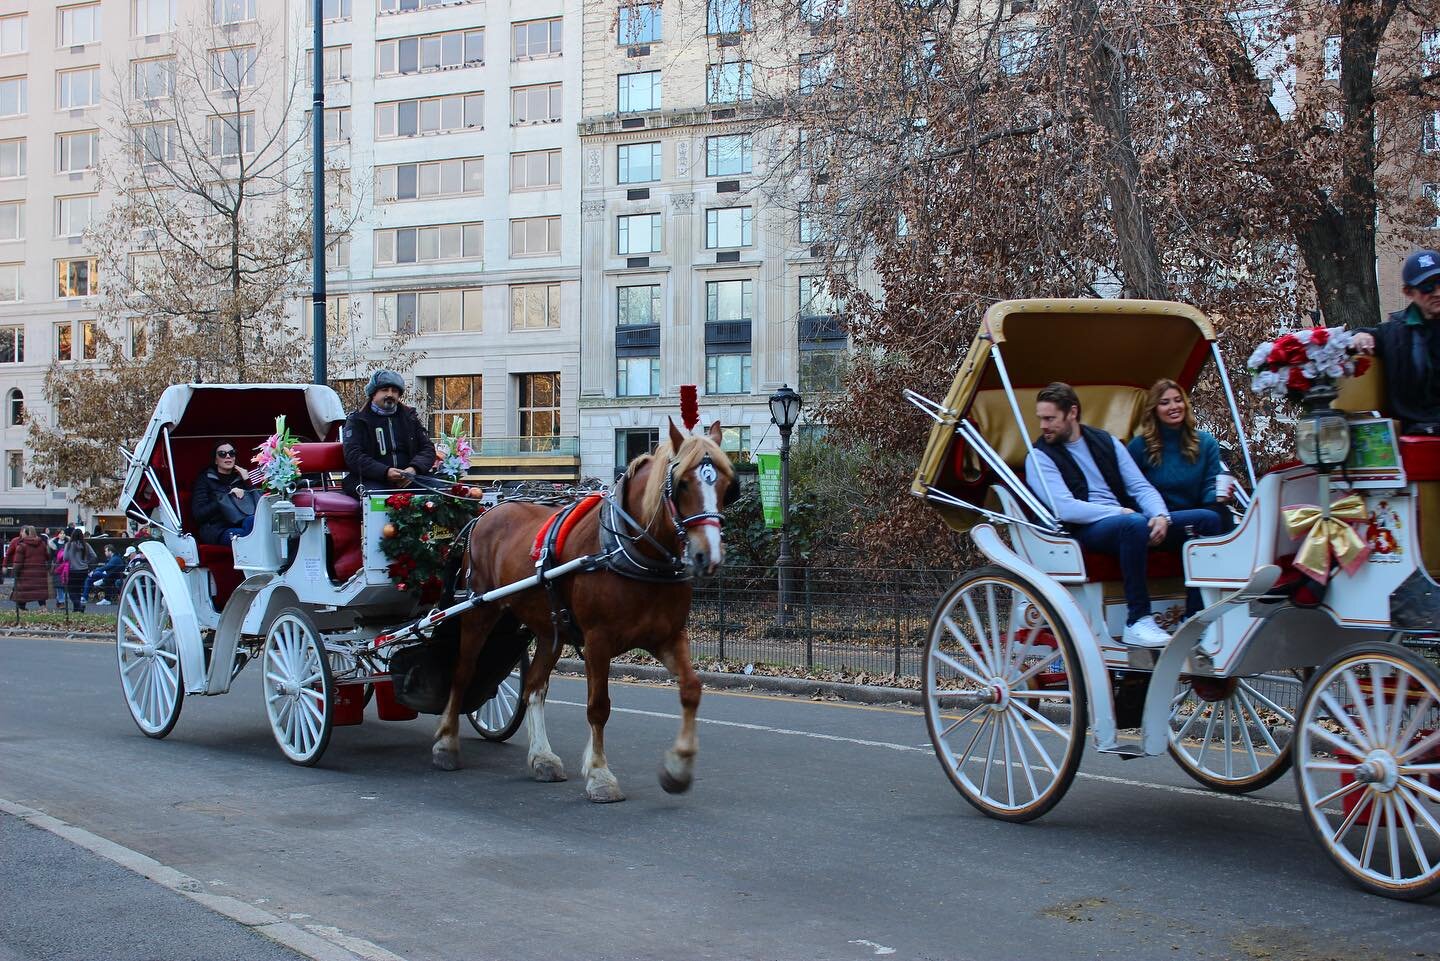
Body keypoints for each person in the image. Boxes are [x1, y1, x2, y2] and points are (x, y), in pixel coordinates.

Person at [1025, 383, 1220, 648]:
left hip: (1128, 522)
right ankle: (1137, 620)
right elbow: (1065, 507)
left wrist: (1162, 516)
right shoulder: (1039, 457)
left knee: (1207, 520)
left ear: (1072, 413)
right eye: (1041, 419)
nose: (1043, 426)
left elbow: (1140, 487)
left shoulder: (1107, 442)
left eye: (1050, 419)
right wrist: (1119, 511)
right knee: (1134, 524)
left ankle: (1195, 617)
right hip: (1083, 528)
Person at [1128, 380, 1232, 617]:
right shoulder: (1140, 447)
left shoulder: (1205, 442)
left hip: (1196, 520)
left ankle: (1226, 601)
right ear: (1154, 409)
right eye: (1164, 403)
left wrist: (1221, 495)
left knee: (1220, 517)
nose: (1173, 406)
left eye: (1177, 400)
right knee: (1210, 521)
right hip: (1156, 523)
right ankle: (1196, 615)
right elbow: (1130, 490)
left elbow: (1210, 485)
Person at [1352, 249, 1440, 433]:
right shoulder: (1393, 334)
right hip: (1415, 436)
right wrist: (1359, 336)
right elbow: (1362, 336)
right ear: (1408, 292)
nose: (1437, 292)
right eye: (1427, 286)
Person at [341, 370, 439, 498]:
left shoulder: (410, 418)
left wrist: (414, 469)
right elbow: (353, 455)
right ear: (373, 394)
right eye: (385, 390)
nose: (390, 394)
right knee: (378, 498)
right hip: (370, 479)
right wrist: (385, 472)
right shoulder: (357, 420)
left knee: (442, 492)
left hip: (410, 479)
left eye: (394, 391)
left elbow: (428, 449)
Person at [192, 441, 257, 545]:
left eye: (231, 453)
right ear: (216, 460)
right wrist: (227, 497)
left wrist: (247, 480)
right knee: (246, 535)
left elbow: (259, 506)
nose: (228, 456)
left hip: (241, 522)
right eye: (222, 454)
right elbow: (199, 514)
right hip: (217, 529)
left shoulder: (240, 478)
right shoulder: (205, 479)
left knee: (254, 522)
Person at [62, 528, 96, 613]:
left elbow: (65, 557)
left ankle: (78, 606)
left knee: (72, 591)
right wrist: (86, 562)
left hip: (73, 570)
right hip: (83, 570)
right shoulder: (86, 545)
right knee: (78, 589)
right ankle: (76, 608)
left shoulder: (69, 545)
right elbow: (94, 556)